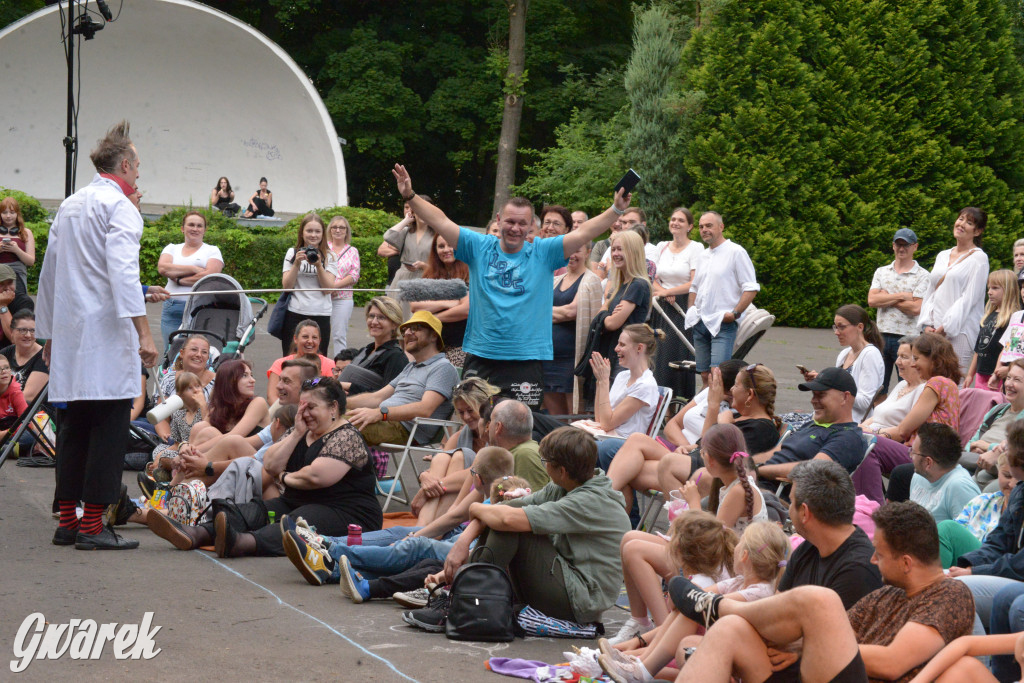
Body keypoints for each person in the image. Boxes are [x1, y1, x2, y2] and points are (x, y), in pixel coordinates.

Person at [392, 163, 630, 409]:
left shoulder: (543, 252)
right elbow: (440, 221)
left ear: (531, 227)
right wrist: (410, 196)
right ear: (498, 220)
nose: (515, 228)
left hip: (525, 360)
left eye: (521, 223)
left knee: (519, 429)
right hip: (482, 356)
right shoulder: (479, 246)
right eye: (509, 221)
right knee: (475, 424)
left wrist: (616, 209)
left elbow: (584, 233)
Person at [670, 501, 974, 683]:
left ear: (906, 562)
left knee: (820, 600)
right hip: (822, 674)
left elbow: (892, 663)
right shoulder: (886, 595)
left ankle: (718, 606)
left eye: (879, 554)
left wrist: (811, 646)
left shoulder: (949, 594)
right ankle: (721, 612)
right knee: (730, 630)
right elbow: (833, 637)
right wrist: (801, 646)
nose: (872, 560)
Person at [37, 120, 158, 550]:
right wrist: (144, 332)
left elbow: (48, 274)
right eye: (138, 165)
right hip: (105, 336)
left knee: (73, 428)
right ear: (124, 164)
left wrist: (49, 333)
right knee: (107, 429)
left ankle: (67, 521)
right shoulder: (120, 207)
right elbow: (123, 273)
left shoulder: (70, 204)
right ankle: (91, 527)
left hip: (72, 336)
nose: (140, 173)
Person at [148, 377, 382, 557]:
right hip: (299, 499)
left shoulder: (346, 436)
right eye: (301, 407)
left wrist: (285, 476)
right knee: (255, 509)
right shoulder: (301, 430)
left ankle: (240, 543)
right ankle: (197, 533)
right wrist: (297, 433)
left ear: (333, 408)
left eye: (311, 407)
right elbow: (270, 464)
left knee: (296, 521)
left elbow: (316, 477)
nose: (304, 413)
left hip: (347, 512)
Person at [431, 427, 632, 625]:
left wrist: (474, 507)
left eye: (545, 462)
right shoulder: (566, 485)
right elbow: (504, 508)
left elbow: (507, 519)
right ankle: (465, 595)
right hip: (567, 580)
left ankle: (470, 603)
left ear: (561, 471)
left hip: (581, 602)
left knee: (512, 526)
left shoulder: (589, 501)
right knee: (505, 519)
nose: (544, 466)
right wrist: (463, 542)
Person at [283, 445, 515, 592]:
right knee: (403, 535)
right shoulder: (490, 489)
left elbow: (460, 518)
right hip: (459, 537)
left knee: (414, 545)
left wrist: (417, 536)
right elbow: (455, 514)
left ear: (478, 477)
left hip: (469, 547)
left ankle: (329, 549)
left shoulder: (499, 497)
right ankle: (327, 556)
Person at [598, 521, 789, 682]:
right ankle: (641, 663)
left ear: (745, 555)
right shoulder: (739, 581)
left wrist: (682, 596)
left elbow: (707, 603)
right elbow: (696, 596)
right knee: (693, 605)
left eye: (740, 543)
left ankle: (643, 669)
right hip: (721, 640)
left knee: (697, 607)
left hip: (739, 657)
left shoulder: (759, 592)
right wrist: (680, 596)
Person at [640, 363, 781, 506]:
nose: (731, 390)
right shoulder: (740, 418)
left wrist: (720, 416)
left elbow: (725, 461)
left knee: (668, 463)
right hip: (697, 464)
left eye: (736, 386)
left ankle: (686, 522)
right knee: (638, 460)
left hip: (711, 476)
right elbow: (703, 444)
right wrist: (690, 447)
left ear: (750, 394)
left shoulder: (761, 428)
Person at [856, 332, 962, 504]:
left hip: (926, 455)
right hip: (934, 454)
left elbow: (903, 430)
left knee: (868, 444)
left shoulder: (936, 383)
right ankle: (870, 505)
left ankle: (870, 507)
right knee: (867, 442)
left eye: (916, 358)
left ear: (933, 360)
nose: (914, 364)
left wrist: (872, 433)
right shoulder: (948, 384)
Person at [949, 420, 1024, 632]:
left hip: (1018, 575)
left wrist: (975, 572)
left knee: (957, 591)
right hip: (1013, 575)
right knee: (945, 583)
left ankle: (979, 662)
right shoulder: (1020, 492)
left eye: (1009, 448)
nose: (1002, 451)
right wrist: (966, 567)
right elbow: (999, 541)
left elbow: (1020, 564)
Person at [344, 310, 458, 447]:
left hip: (406, 428)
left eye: (415, 328)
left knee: (335, 425)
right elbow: (377, 398)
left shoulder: (443, 367)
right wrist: (339, 403)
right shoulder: (410, 367)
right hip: (385, 420)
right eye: (405, 330)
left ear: (434, 335)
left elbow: (424, 409)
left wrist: (380, 413)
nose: (408, 333)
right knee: (324, 415)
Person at [684, 211, 759, 388]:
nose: (704, 230)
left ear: (721, 227)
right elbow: (694, 287)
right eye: (701, 227)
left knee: (719, 376)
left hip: (722, 324)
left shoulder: (736, 252)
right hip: (700, 323)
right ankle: (705, 413)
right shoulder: (702, 255)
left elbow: (751, 287)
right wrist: (691, 311)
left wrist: (734, 314)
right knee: (703, 375)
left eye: (709, 226)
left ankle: (721, 413)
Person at [410, 377, 500, 525]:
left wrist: (427, 489)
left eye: (470, 411)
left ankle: (430, 529)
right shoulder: (460, 435)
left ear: (484, 407)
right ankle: (424, 527)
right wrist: (423, 477)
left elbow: (477, 471)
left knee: (460, 456)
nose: (466, 417)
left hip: (477, 498)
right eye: (461, 412)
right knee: (441, 458)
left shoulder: (496, 436)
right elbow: (436, 467)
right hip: (450, 500)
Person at [573, 324, 662, 472]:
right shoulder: (623, 376)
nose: (616, 349)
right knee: (540, 425)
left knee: (565, 442)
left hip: (620, 443)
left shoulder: (645, 385)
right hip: (605, 436)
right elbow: (600, 419)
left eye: (622, 344)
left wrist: (603, 382)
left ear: (639, 348)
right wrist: (600, 381)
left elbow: (607, 424)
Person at [754, 366, 864, 480]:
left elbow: (813, 469)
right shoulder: (811, 425)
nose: (813, 400)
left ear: (845, 397)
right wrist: (745, 464)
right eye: (813, 395)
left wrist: (757, 471)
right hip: (755, 483)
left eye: (821, 395)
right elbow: (774, 453)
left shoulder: (848, 437)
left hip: (776, 492)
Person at [919, 207, 990, 374]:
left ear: (978, 231)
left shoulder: (979, 258)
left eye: (969, 222)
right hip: (934, 330)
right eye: (961, 219)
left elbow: (969, 299)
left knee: (952, 382)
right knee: (931, 380)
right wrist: (927, 324)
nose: (962, 224)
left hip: (960, 331)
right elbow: (931, 292)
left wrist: (945, 327)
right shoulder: (942, 255)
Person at [868, 227, 930, 394]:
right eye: (898, 244)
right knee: (877, 388)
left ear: (915, 247)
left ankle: (905, 419)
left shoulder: (923, 275)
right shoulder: (882, 272)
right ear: (893, 246)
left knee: (909, 386)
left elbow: (916, 308)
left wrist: (887, 298)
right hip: (880, 335)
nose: (902, 248)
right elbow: (872, 300)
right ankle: (876, 419)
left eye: (906, 245)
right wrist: (903, 296)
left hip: (908, 339)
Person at [544, 240, 603, 415]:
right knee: (555, 418)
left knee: (574, 415)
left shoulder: (591, 280)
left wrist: (541, 313)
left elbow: (571, 312)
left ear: (588, 252)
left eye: (577, 250)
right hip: (549, 357)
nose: (572, 255)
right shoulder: (556, 280)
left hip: (572, 359)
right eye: (568, 250)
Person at [650, 207, 704, 394]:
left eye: (681, 220)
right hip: (661, 304)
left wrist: (670, 291)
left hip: (682, 304)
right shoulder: (661, 246)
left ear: (689, 226)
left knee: (679, 354)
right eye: (673, 219)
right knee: (660, 356)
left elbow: (694, 281)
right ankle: (661, 406)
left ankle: (680, 400)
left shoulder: (696, 248)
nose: (675, 223)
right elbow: (651, 277)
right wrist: (664, 292)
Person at [801, 304, 884, 423]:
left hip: (849, 423)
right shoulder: (844, 354)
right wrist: (820, 381)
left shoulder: (870, 355)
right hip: (830, 418)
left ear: (860, 327)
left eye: (842, 327)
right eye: (835, 327)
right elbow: (836, 390)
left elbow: (866, 402)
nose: (836, 332)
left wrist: (831, 387)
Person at [936, 452, 1018, 569]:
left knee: (948, 528)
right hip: (964, 565)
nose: (1012, 484)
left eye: (1020, 479)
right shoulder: (982, 501)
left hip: (997, 570)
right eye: (1007, 476)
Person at [156, 211, 224, 347]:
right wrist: (194, 269)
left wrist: (179, 279)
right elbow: (163, 268)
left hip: (200, 308)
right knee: (170, 351)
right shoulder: (171, 248)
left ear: (205, 230)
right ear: (182, 228)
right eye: (191, 225)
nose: (195, 229)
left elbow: (209, 276)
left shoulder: (212, 250)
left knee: (196, 352)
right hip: (172, 306)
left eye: (199, 226)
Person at [280, 213, 338, 356]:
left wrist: (319, 266)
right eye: (309, 231)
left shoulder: (330, 256)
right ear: (302, 232)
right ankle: (293, 380)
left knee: (318, 360)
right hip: (295, 312)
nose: (313, 235)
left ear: (323, 234)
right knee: (291, 358)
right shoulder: (292, 253)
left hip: (321, 313)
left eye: (317, 231)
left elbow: (328, 289)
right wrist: (296, 264)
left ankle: (316, 381)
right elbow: (286, 286)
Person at [184, 359, 269, 455]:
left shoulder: (258, 403)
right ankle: (187, 462)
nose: (253, 380)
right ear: (229, 381)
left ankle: (186, 460)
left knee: (208, 432)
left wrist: (192, 450)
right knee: (199, 427)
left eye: (251, 375)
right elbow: (202, 430)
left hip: (253, 460)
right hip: (225, 457)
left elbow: (233, 437)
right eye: (245, 376)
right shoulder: (219, 407)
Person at [409, 233, 469, 367]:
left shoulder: (469, 273)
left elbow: (465, 310)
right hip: (431, 346)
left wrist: (432, 317)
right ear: (435, 251)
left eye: (451, 245)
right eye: (441, 246)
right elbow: (415, 305)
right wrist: (448, 302)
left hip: (459, 346)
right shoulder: (430, 275)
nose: (446, 250)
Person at [600, 231, 653, 375]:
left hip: (627, 356)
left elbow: (612, 323)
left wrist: (604, 313)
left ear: (633, 252)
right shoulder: (622, 284)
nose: (615, 254)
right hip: (615, 351)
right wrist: (607, 314)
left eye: (620, 249)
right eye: (613, 249)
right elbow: (607, 314)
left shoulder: (637, 285)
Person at [909, 422, 980, 522]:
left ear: (928, 462)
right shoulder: (919, 476)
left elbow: (971, 534)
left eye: (913, 452)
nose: (911, 455)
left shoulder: (960, 488)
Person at [339, 296, 409, 396]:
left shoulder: (397, 357)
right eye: (371, 316)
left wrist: (349, 387)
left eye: (381, 317)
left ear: (394, 324)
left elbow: (390, 396)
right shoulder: (365, 350)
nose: (374, 322)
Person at [861, 335, 925, 436]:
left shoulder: (923, 390)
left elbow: (905, 431)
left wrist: (869, 432)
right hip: (870, 434)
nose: (897, 362)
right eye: (898, 356)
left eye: (904, 357)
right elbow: (878, 416)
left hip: (883, 441)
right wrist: (860, 428)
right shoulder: (902, 384)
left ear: (918, 360)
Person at [966, 269, 1019, 390]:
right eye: (989, 288)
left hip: (998, 375)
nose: (989, 292)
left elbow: (1011, 349)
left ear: (1008, 290)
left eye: (995, 288)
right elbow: (978, 348)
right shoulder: (988, 316)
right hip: (981, 373)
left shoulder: (1013, 318)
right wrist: (970, 374)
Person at [266, 319, 336, 403]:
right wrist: (287, 414)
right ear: (295, 339)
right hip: (285, 412)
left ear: (319, 341)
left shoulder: (330, 364)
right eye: (305, 337)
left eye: (314, 337)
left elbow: (332, 396)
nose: (310, 341)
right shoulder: (280, 364)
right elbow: (272, 396)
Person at [487, 399, 550, 491]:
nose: (488, 427)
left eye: (491, 420)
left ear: (498, 427)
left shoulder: (525, 455)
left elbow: (533, 502)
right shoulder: (521, 452)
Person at [379, 195, 435, 288]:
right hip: (402, 279)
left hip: (425, 279)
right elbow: (388, 236)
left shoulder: (437, 235)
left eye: (426, 209)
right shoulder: (406, 232)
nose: (423, 213)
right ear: (413, 211)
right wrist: (406, 220)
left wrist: (423, 265)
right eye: (419, 209)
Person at [325, 215, 360, 355]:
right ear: (330, 230)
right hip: (322, 297)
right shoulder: (323, 248)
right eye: (335, 227)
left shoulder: (352, 251)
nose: (338, 230)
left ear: (347, 231)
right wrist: (327, 287)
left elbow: (354, 274)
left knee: (339, 335)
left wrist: (334, 286)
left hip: (343, 298)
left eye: (341, 227)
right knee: (319, 334)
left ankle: (339, 367)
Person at [0, 309, 47, 404]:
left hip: (34, 414)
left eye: (33, 330)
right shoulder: (6, 352)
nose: (28, 335)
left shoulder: (44, 357)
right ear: (12, 331)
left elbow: (28, 397)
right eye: (22, 330)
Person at [0, 196, 36, 299]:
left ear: (17, 214)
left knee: (18, 305)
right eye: (4, 212)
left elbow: (30, 261)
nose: (8, 216)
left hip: (17, 277)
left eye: (12, 212)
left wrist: (16, 250)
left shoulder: (26, 233)